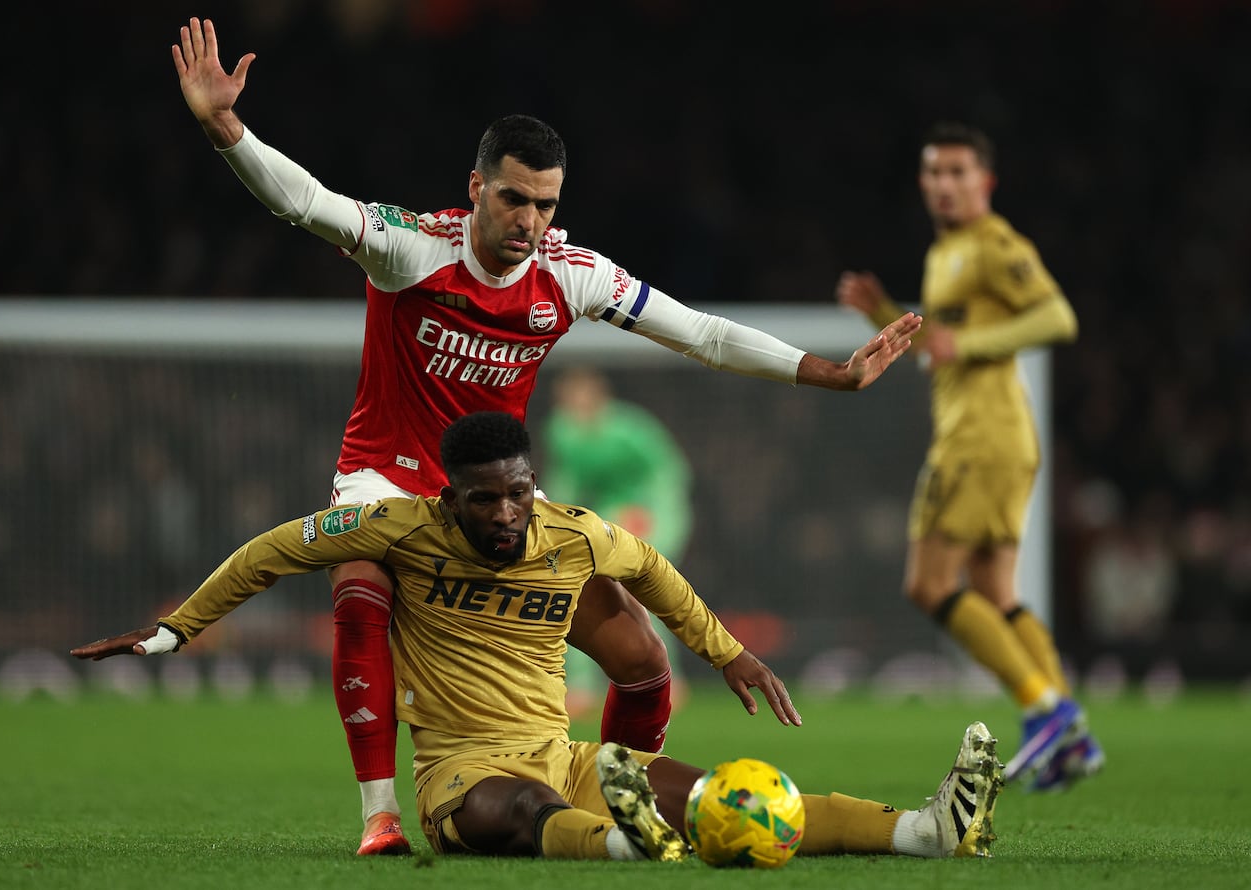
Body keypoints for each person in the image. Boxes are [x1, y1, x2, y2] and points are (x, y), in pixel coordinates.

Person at [164, 16, 924, 854]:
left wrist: (831, 371)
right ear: (477, 188)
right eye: (514, 198)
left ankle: (617, 799)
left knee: (636, 652)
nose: (530, 220)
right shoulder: (413, 249)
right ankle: (380, 814)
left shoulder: (570, 273)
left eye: (546, 203)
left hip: (496, 492)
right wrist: (226, 129)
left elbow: (701, 333)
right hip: (389, 476)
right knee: (359, 585)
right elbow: (305, 202)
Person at [72, 411, 1003, 861]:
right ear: (450, 499)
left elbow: (657, 575)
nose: (509, 513)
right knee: (512, 815)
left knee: (736, 801)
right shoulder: (398, 529)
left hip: (566, 756)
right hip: (460, 775)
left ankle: (927, 829)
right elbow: (267, 554)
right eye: (487, 499)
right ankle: (621, 844)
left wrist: (727, 651)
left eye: (518, 490)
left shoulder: (570, 531)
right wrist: (171, 633)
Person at [835, 121, 1102, 791]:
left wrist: (975, 344)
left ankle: (1047, 709)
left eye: (959, 172)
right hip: (998, 437)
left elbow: (1056, 318)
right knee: (996, 593)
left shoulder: (993, 244)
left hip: (980, 439)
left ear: (985, 182)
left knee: (927, 584)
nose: (945, 185)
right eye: (934, 172)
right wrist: (886, 316)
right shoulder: (945, 253)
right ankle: (1070, 736)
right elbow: (942, 348)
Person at [541, 366, 694, 718]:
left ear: (598, 395)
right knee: (580, 586)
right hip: (608, 514)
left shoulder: (630, 427)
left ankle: (667, 678)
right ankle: (580, 685)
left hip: (654, 510)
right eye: (567, 397)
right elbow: (565, 485)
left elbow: (669, 473)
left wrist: (645, 515)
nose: (574, 404)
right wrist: (556, 523)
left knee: (642, 590)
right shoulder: (561, 430)